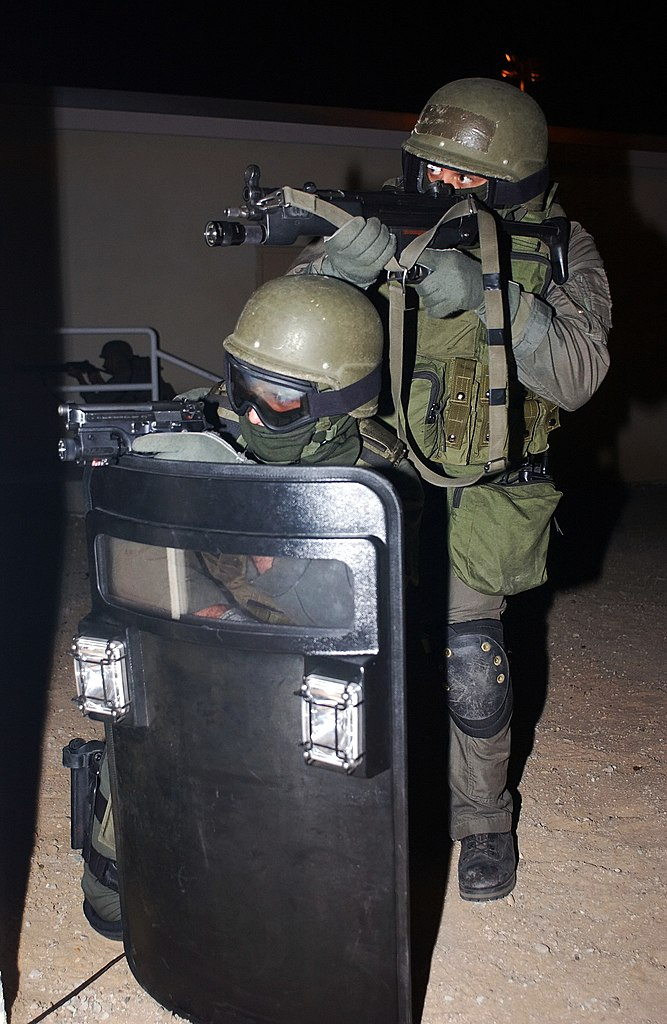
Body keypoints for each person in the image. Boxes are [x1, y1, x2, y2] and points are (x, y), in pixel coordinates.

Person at [289, 77, 612, 901]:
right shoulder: (391, 226)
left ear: (511, 183)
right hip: (382, 470)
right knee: (338, 642)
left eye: (465, 178)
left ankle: (481, 824)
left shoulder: (568, 248)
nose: (442, 189)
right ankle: (336, 808)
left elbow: (577, 373)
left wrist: (487, 296)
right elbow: (292, 332)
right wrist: (333, 269)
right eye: (431, 170)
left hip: (490, 485)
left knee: (470, 660)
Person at [77, 274, 423, 939]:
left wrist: (275, 545)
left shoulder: (382, 479)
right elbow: (145, 568)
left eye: (283, 399)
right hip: (200, 644)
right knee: (115, 899)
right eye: (245, 385)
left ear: (342, 402)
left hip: (313, 676)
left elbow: (373, 622)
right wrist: (161, 493)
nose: (257, 414)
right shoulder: (199, 424)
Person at [67, 338, 176, 402]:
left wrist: (80, 378)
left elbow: (97, 401)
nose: (104, 365)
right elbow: (116, 395)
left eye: (107, 359)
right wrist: (98, 382)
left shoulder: (128, 373)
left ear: (116, 359)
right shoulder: (137, 370)